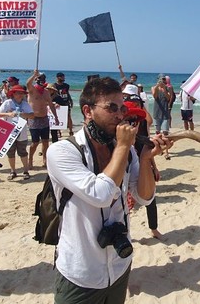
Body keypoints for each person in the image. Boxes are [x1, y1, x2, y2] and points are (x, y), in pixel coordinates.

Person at [46, 76, 172, 303]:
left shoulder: (127, 151)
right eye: (111, 107)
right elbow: (100, 195)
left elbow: (144, 197)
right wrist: (124, 146)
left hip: (119, 264)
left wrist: (144, 160)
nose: (120, 114)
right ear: (87, 111)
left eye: (122, 108)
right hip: (81, 271)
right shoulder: (63, 152)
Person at [123, 94, 163, 239]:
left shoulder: (143, 125)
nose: (133, 125)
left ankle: (154, 229)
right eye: (129, 120)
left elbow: (147, 148)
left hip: (139, 164)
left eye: (135, 121)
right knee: (124, 204)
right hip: (128, 165)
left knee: (150, 200)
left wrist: (153, 166)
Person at [0, 85, 34, 180]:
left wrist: (21, 114)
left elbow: (32, 115)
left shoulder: (25, 104)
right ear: (13, 94)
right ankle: (13, 171)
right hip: (10, 132)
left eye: (21, 93)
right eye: (18, 93)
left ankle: (26, 171)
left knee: (23, 152)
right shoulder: (7, 103)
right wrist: (8, 114)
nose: (20, 95)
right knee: (11, 153)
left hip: (22, 131)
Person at [26, 70, 59, 169]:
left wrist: (56, 117)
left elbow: (51, 105)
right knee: (35, 142)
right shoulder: (32, 90)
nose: (42, 80)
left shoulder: (46, 92)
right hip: (34, 119)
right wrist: (34, 75)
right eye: (40, 78)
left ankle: (45, 159)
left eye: (43, 78)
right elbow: (28, 83)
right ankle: (30, 159)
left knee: (45, 141)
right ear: (36, 79)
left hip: (44, 119)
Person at [151, 74, 172, 159]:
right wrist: (157, 86)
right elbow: (154, 96)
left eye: (164, 79)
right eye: (161, 79)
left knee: (165, 133)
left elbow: (168, 98)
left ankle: (167, 151)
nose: (162, 81)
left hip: (165, 113)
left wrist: (164, 88)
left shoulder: (168, 88)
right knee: (158, 133)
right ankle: (160, 150)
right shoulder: (153, 87)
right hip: (157, 112)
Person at [54, 72, 75, 136]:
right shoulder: (54, 85)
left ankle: (71, 131)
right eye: (62, 77)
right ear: (58, 77)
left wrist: (70, 100)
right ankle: (58, 131)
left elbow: (67, 93)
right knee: (58, 117)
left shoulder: (66, 85)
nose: (63, 78)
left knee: (68, 117)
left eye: (64, 77)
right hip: (58, 102)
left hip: (66, 102)